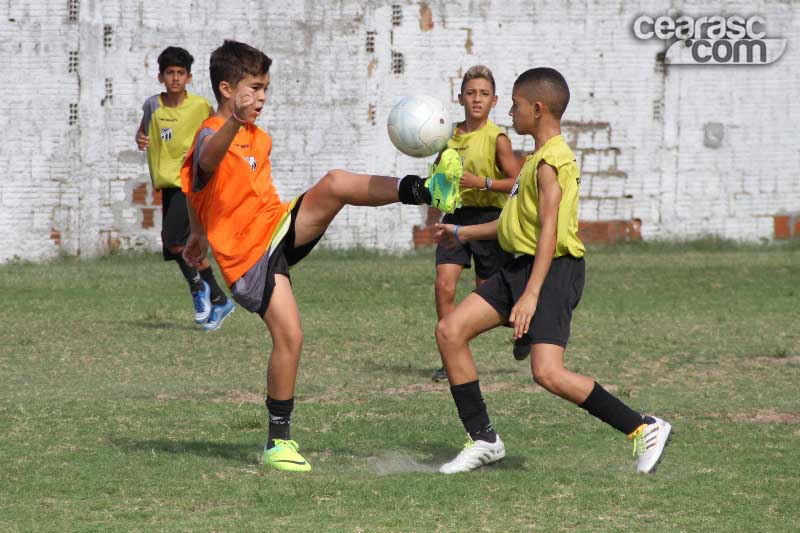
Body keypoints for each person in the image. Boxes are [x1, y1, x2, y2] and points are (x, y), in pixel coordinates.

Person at [180, 40, 456, 472]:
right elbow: (205, 164)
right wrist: (232, 122)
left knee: (335, 183)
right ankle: (278, 443)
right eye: (256, 88)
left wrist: (196, 233)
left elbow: (198, 192)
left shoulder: (257, 138)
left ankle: (426, 189)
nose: (264, 98)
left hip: (276, 227)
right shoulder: (212, 134)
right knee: (290, 337)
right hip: (248, 260)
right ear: (228, 89)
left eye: (267, 88)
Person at [432, 67, 672, 475]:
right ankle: (484, 439)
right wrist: (460, 230)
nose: (510, 111)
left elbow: (549, 232)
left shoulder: (550, 162)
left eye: (515, 104)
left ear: (538, 108)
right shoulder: (534, 161)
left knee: (547, 372)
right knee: (450, 331)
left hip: (553, 271)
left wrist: (530, 295)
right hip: (520, 267)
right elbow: (512, 223)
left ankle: (642, 426)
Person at [430, 65, 522, 383]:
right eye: (471, 93)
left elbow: (516, 183)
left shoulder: (497, 139)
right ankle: (449, 356)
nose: (477, 100)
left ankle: (526, 327)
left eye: (483, 94)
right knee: (444, 285)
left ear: (494, 100)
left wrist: (480, 182)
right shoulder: (447, 136)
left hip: (489, 221)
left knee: (488, 295)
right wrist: (437, 186)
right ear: (460, 99)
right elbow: (438, 178)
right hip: (455, 216)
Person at [135, 46, 234, 331]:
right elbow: (143, 131)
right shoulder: (152, 105)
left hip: (190, 182)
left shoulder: (201, 106)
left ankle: (202, 292)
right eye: (170, 73)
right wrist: (141, 138)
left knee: (174, 240)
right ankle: (215, 296)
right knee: (177, 246)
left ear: (189, 78)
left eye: (180, 73)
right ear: (160, 77)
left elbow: (216, 130)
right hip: (167, 183)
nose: (175, 78)